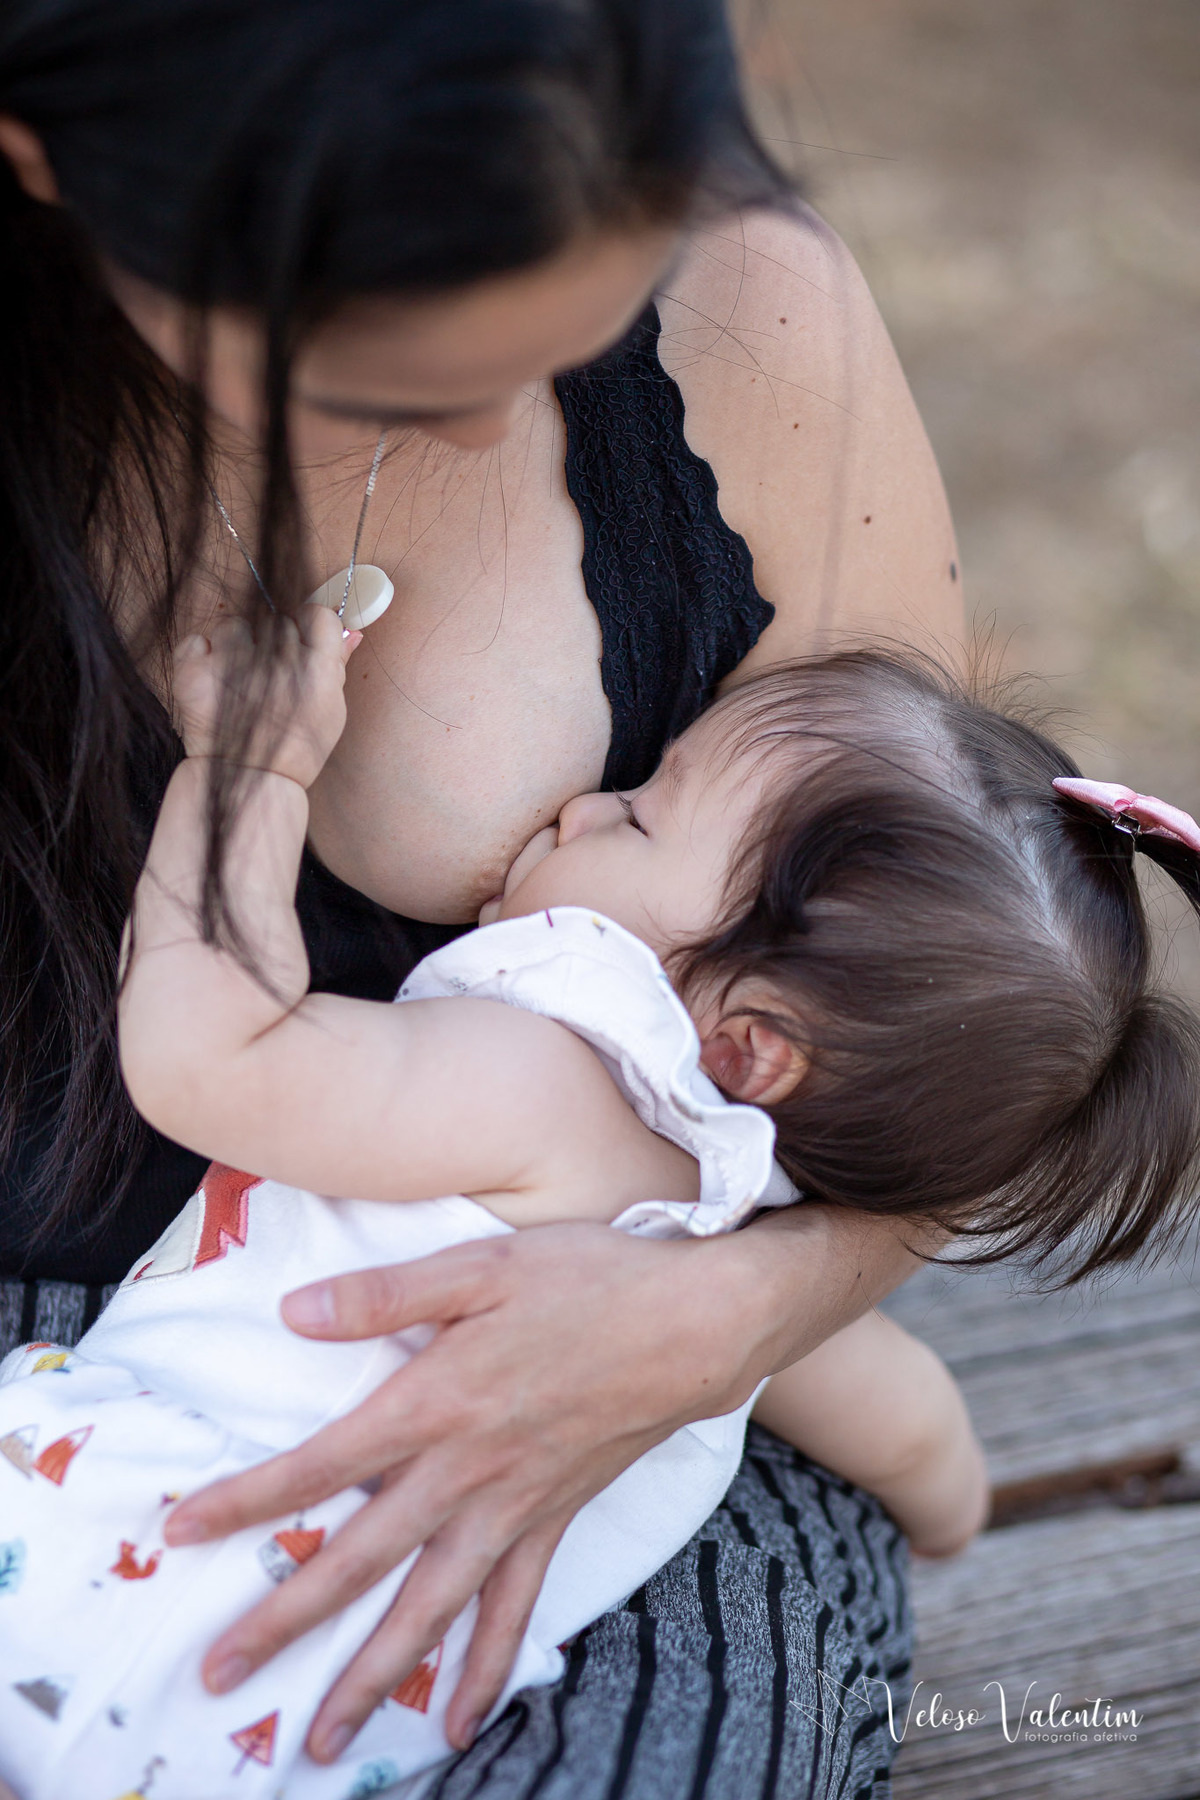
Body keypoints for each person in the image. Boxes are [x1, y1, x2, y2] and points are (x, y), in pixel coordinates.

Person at [0, 3, 964, 1793]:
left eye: (579, 323)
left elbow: (937, 1025)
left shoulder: (756, 314)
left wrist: (723, 1319)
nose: (486, 422)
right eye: (380, 370)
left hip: (606, 1405)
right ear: (46, 166)